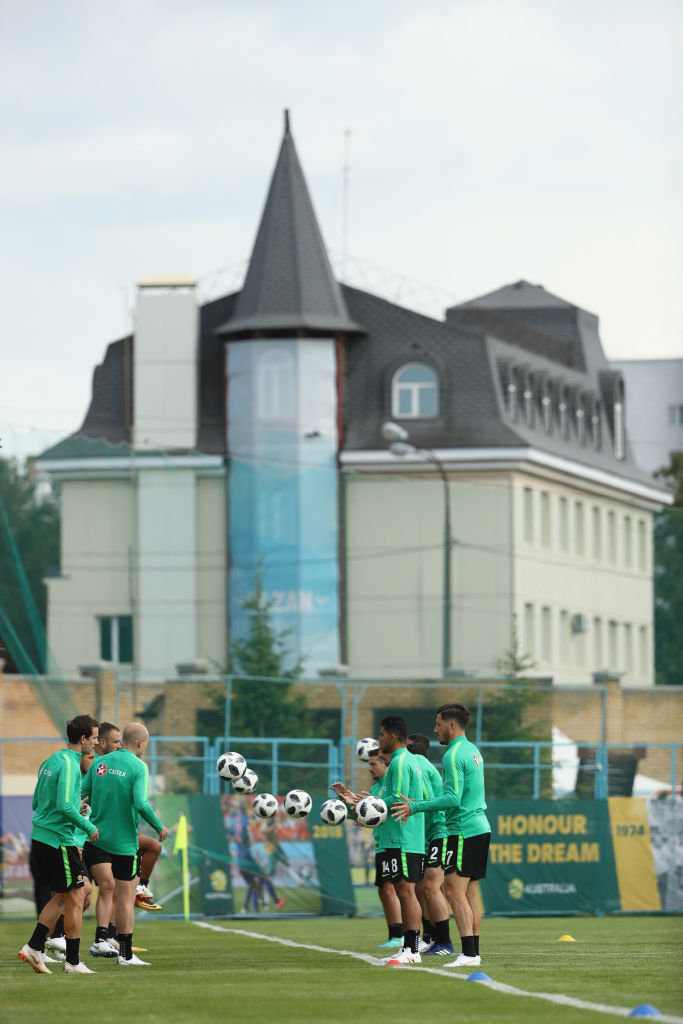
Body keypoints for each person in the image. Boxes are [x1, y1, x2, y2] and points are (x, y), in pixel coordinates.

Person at [393, 703, 491, 968]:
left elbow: (453, 798)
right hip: (481, 826)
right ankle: (473, 953)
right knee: (469, 894)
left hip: (463, 828)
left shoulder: (452, 754)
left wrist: (416, 806)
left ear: (451, 725)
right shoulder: (473, 750)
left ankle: (469, 953)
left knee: (452, 891)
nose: (434, 729)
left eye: (437, 724)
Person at [18, 714, 100, 975]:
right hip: (58, 840)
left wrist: (77, 806)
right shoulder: (70, 764)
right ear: (84, 738)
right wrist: (88, 825)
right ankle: (73, 962)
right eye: (95, 738)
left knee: (66, 896)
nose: (96, 744)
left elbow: (37, 804)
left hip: (41, 837)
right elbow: (64, 806)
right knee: (77, 896)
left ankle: (34, 947)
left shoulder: (49, 761)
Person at [82, 722, 168, 966]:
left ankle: (101, 939)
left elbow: (82, 793)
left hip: (96, 838)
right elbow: (141, 803)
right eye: (146, 744)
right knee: (126, 895)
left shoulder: (100, 763)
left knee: (105, 890)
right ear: (141, 743)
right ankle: (126, 955)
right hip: (124, 843)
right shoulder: (139, 766)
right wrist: (159, 826)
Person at [333, 745, 403, 949]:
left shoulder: (391, 786)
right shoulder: (374, 790)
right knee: (384, 889)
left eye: (374, 764)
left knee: (393, 889)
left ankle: (401, 935)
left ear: (385, 763)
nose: (370, 768)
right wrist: (344, 805)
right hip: (381, 843)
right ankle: (394, 935)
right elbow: (364, 817)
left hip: (395, 843)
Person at [373, 716, 425, 966]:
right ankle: (408, 946)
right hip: (405, 836)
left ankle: (412, 949)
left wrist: (371, 806)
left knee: (406, 891)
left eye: (381, 734)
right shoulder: (408, 760)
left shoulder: (400, 762)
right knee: (405, 891)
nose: (379, 738)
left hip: (403, 837)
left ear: (392, 736)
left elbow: (398, 797)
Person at [407, 733, 454, 956]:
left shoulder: (418, 765)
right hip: (425, 835)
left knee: (431, 887)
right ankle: (430, 937)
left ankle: (445, 942)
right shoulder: (417, 764)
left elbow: (425, 798)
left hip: (437, 830)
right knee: (421, 888)